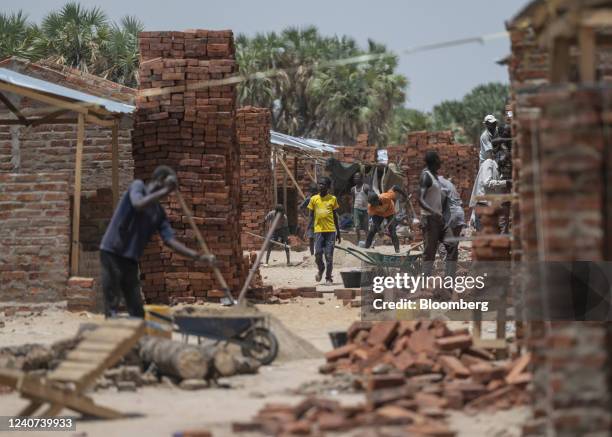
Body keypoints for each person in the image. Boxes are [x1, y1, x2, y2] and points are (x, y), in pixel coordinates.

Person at [99, 165, 215, 318]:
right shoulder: (138, 186)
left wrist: (198, 256)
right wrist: (165, 190)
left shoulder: (158, 213)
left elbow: (170, 241)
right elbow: (137, 205)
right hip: (112, 252)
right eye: (168, 188)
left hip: (130, 259)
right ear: (160, 180)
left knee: (137, 310)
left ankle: (138, 338)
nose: (168, 194)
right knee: (112, 305)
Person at [307, 177, 341, 285]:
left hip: (330, 231)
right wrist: (308, 228)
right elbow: (311, 216)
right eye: (319, 184)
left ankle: (328, 278)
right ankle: (321, 268)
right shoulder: (314, 199)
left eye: (323, 184)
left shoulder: (333, 199)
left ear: (328, 187)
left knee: (329, 256)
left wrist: (338, 232)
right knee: (317, 254)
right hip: (318, 231)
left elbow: (335, 216)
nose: (320, 186)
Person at [469, 148, 511, 231]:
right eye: (505, 156)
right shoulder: (489, 163)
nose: (506, 160)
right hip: (484, 206)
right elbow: (487, 182)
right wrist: (505, 183)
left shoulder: (500, 170)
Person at [419, 150, 444, 276]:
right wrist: (433, 211)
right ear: (434, 161)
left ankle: (428, 278)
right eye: (439, 159)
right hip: (429, 218)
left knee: (434, 249)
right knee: (429, 250)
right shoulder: (426, 176)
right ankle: (424, 280)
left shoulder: (434, 176)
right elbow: (421, 200)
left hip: (436, 218)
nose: (441, 162)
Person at [365, 185, 407, 253]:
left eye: (374, 203)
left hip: (390, 212)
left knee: (392, 231)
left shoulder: (386, 196)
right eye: (371, 204)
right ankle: (366, 247)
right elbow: (374, 219)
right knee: (372, 230)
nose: (373, 205)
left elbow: (395, 187)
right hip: (378, 215)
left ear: (377, 200)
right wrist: (379, 230)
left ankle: (397, 250)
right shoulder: (371, 207)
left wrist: (405, 195)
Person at [438, 176, 465, 277]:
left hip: (452, 217)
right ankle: (451, 274)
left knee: (443, 244)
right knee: (453, 246)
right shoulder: (451, 187)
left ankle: (448, 274)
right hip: (459, 217)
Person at [350, 173, 370, 243]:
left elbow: (370, 197)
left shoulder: (366, 187)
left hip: (365, 210)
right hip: (356, 209)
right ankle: (358, 240)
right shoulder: (353, 189)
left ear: (362, 179)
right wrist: (352, 212)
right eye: (355, 177)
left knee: (366, 227)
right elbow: (353, 200)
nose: (356, 179)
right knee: (357, 227)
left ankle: (368, 241)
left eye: (358, 177)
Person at [300, 184, 318, 255]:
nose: (314, 193)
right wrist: (305, 217)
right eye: (313, 192)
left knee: (318, 239)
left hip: (319, 222)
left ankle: (317, 253)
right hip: (311, 222)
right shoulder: (308, 199)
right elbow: (300, 208)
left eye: (315, 192)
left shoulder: (320, 198)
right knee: (311, 239)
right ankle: (312, 254)